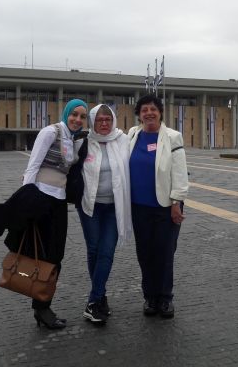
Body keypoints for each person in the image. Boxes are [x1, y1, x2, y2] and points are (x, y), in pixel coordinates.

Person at [14, 98, 87, 329]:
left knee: (56, 256)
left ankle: (43, 305)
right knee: (41, 255)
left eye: (82, 116)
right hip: (41, 198)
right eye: (74, 114)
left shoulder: (74, 139)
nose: (77, 119)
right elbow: (33, 165)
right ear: (66, 113)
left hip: (59, 201)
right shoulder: (50, 132)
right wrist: (26, 198)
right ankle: (42, 309)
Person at [128, 94, 188, 319]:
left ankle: (165, 298)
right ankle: (150, 297)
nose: (149, 113)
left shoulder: (172, 137)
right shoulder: (132, 135)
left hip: (166, 206)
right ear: (139, 114)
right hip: (139, 207)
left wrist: (176, 202)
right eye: (144, 110)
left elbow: (179, 173)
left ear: (160, 112)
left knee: (164, 253)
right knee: (144, 253)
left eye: (153, 109)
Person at [77, 104, 132, 324]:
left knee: (106, 251)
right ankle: (100, 297)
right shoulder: (83, 142)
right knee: (94, 250)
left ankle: (93, 300)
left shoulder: (123, 140)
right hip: (89, 206)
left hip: (113, 207)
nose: (104, 123)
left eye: (108, 119)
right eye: (99, 119)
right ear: (92, 121)